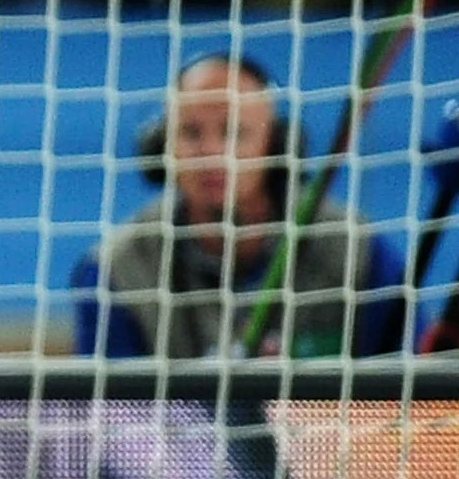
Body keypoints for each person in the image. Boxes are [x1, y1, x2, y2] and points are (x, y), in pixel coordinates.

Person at [68, 54, 406, 359]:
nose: (212, 153)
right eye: (190, 132)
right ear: (160, 146)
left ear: (276, 145)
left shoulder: (356, 252)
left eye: (234, 132)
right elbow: (114, 418)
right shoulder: (116, 270)